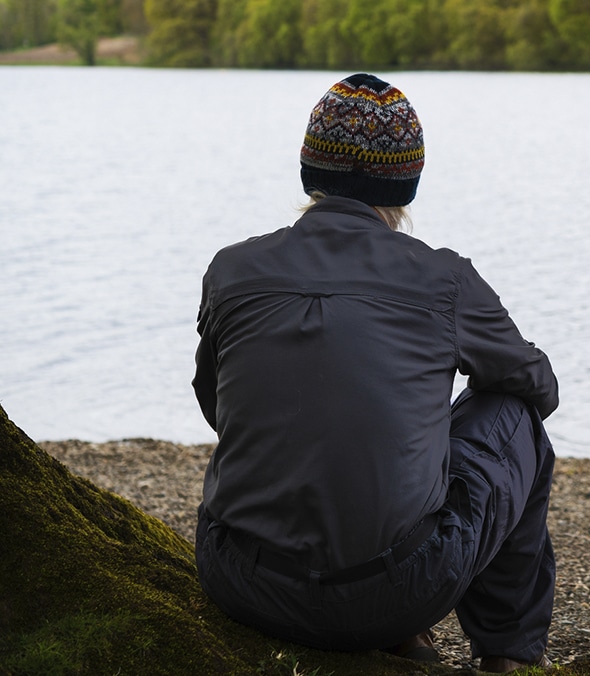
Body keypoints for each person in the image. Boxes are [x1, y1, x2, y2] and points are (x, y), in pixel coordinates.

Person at [191, 73, 559, 672]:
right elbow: (537, 388)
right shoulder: (443, 279)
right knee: (513, 416)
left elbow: (216, 404)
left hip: (240, 583)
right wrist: (424, 421)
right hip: (395, 593)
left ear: (311, 170)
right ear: (405, 181)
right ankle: (507, 657)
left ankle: (403, 638)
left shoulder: (232, 269)